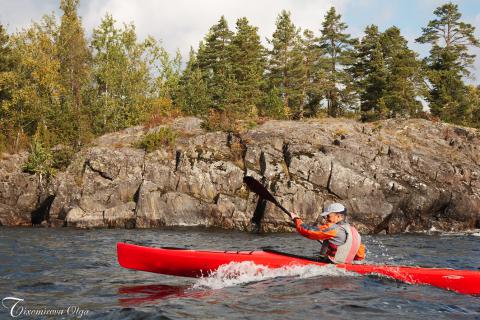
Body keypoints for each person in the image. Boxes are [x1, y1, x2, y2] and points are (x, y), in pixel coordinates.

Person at [290, 203, 366, 264]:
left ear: (338, 216)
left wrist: (297, 219)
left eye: (328, 216)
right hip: (345, 266)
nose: (326, 219)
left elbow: (309, 232)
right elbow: (360, 254)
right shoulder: (354, 231)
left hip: (331, 265)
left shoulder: (334, 228)